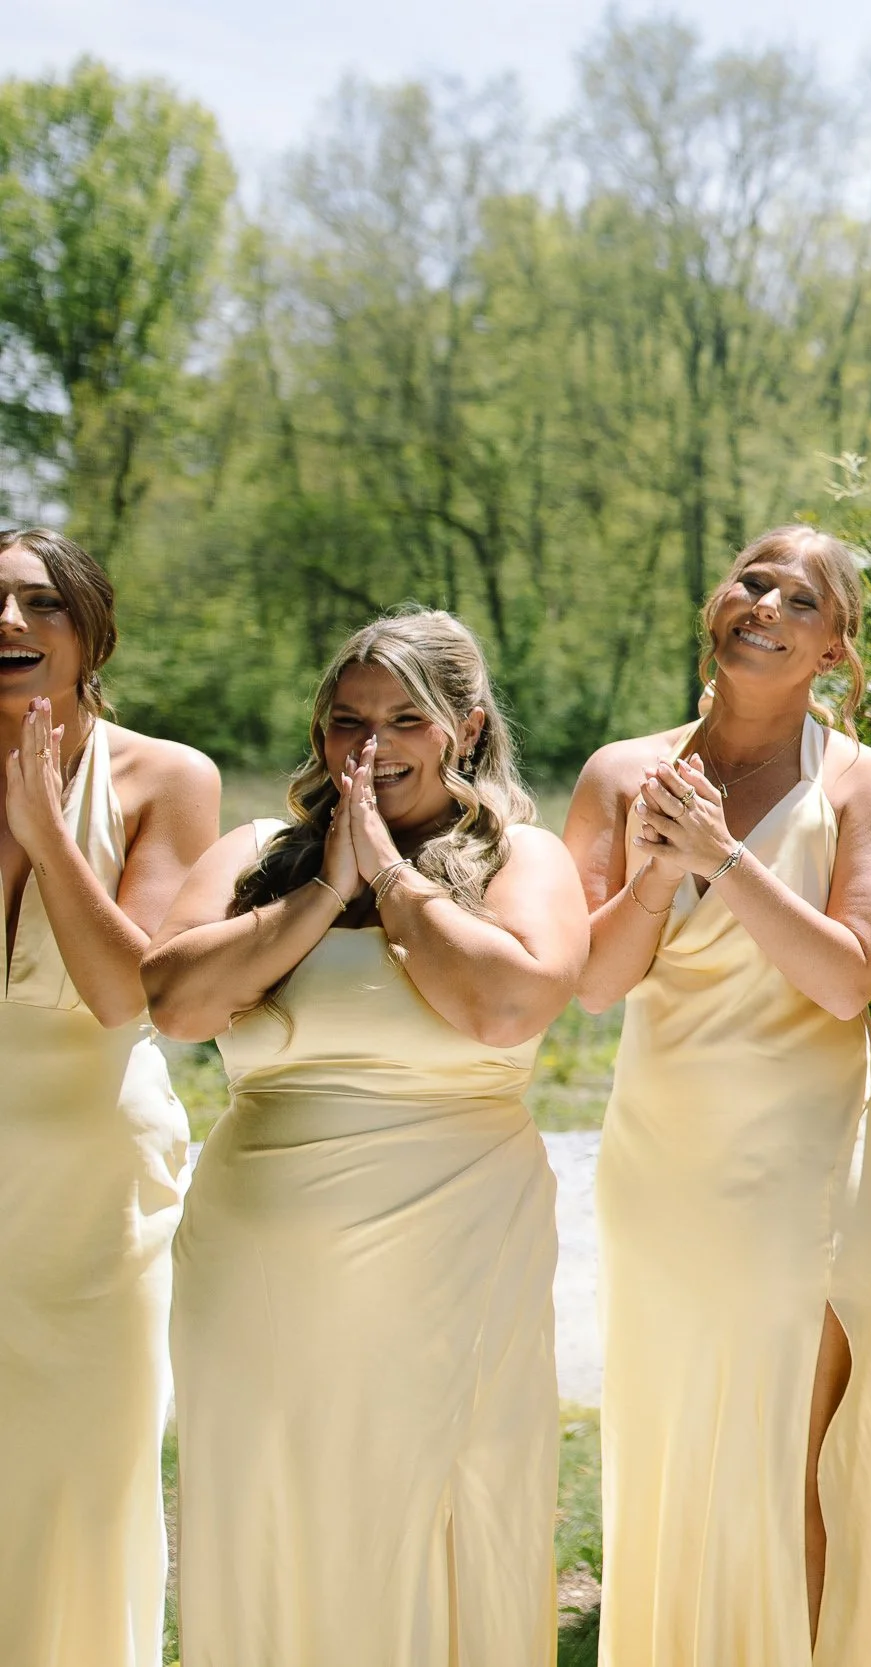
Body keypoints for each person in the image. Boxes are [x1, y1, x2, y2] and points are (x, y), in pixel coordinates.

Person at [144, 609, 587, 1666]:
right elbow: (175, 999)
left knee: (428, 1500)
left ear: (465, 728)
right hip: (258, 1270)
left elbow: (504, 1006)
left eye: (405, 719)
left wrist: (389, 878)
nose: (371, 746)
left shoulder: (525, 858)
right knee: (267, 1507)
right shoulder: (254, 854)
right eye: (348, 720)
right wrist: (321, 888)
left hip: (454, 1251)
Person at [561, 526, 871, 1667]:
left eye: (798, 597)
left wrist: (721, 853)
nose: (762, 601)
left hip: (806, 1169)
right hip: (662, 1163)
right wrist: (657, 872)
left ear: (835, 648)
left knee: (782, 1454)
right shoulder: (622, 771)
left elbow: (850, 975)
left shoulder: (866, 782)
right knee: (670, 1449)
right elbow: (596, 983)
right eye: (749, 579)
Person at [0, 527, 218, 1667]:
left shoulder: (167, 777)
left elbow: (124, 992)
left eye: (40, 603)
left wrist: (45, 831)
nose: (10, 625)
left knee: (87, 1482)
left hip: (94, 1194)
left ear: (90, 630)